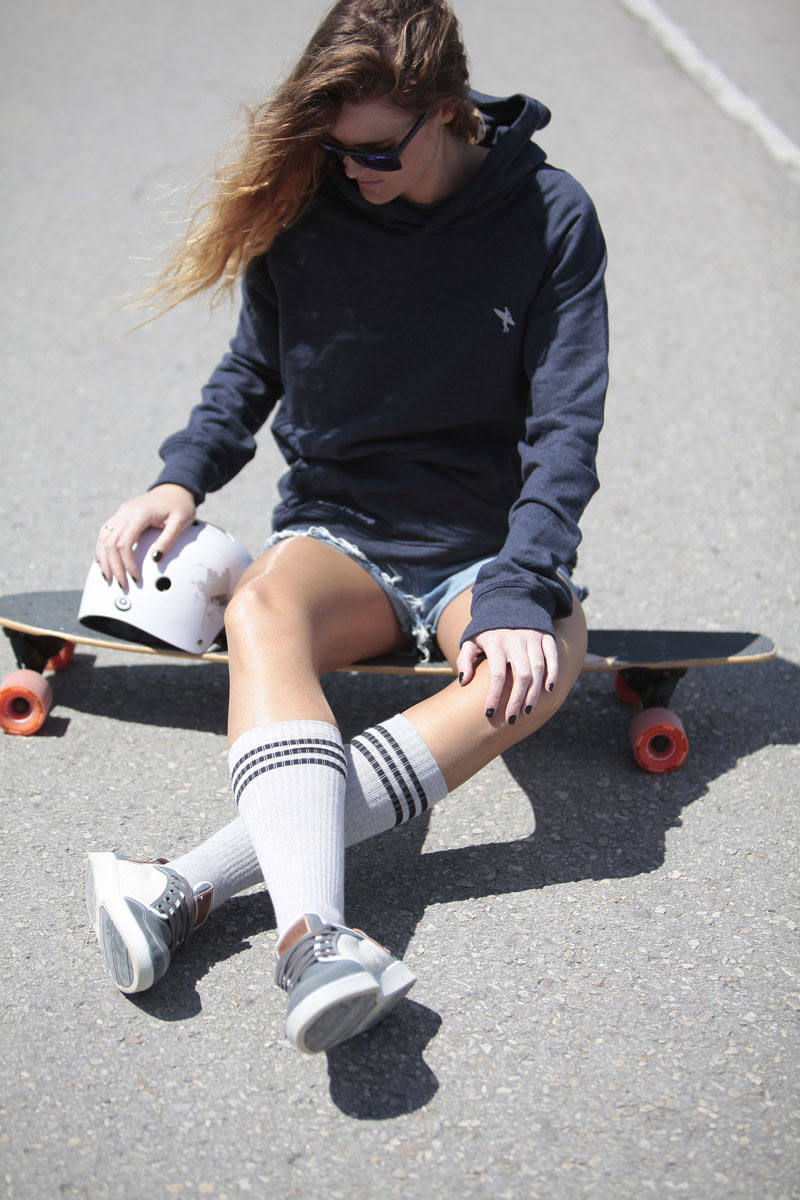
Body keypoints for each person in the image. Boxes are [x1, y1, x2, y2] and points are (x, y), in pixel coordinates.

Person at [86, 0, 608, 1054]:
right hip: (344, 529)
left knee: (544, 659)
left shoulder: (547, 215)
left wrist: (519, 588)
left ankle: (180, 884)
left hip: (480, 540)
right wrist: (181, 478)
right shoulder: (309, 209)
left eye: (374, 149)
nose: (351, 169)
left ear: (447, 112)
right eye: (331, 148)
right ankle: (311, 937)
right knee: (264, 602)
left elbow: (565, 427)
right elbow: (253, 368)